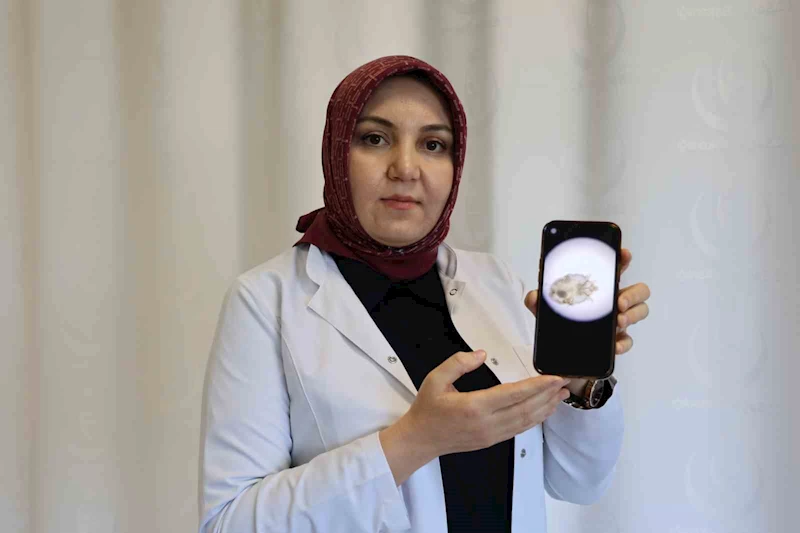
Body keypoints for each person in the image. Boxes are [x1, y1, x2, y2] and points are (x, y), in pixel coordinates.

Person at [198, 55, 651, 533]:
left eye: (433, 144)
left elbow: (579, 483)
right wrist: (414, 440)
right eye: (375, 139)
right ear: (336, 152)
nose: (406, 168)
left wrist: (581, 384)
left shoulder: (497, 284)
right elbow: (228, 522)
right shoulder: (264, 302)